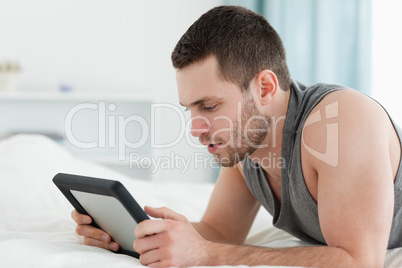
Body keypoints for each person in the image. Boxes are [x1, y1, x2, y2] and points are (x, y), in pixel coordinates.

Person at [71, 5, 402, 267]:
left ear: (265, 88)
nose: (196, 129)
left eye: (210, 106)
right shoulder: (245, 147)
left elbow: (359, 261)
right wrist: (132, 233)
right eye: (190, 109)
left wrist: (207, 255)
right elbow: (219, 232)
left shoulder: (341, 122)